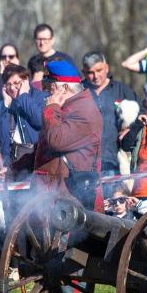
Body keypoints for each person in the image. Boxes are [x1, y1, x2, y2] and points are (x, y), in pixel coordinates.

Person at [32, 60, 103, 208]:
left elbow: (56, 140)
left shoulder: (84, 112)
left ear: (63, 88)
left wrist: (51, 107)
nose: (45, 90)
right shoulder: (67, 108)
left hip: (74, 201)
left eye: (48, 85)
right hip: (55, 198)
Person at [81, 51, 138, 178]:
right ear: (84, 73)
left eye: (99, 70)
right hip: (85, 164)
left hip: (115, 161)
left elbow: (142, 116)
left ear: (106, 68)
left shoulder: (121, 90)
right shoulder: (79, 92)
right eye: (90, 72)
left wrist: (130, 130)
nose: (95, 76)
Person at [0, 64, 40, 181]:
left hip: (35, 164)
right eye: (8, 84)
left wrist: (23, 97)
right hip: (8, 167)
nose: (12, 88)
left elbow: (39, 120)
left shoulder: (40, 98)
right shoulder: (3, 102)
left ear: (25, 80)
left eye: (16, 83)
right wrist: (5, 104)